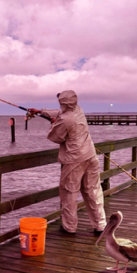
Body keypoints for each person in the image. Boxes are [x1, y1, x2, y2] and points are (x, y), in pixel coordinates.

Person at [28, 90, 107, 235]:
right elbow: (60, 113)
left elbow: (55, 137)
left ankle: (69, 227)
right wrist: (41, 112)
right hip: (90, 156)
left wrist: (54, 124)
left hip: (74, 160)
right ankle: (100, 225)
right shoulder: (78, 110)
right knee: (93, 191)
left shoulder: (65, 120)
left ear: (62, 102)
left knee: (69, 193)